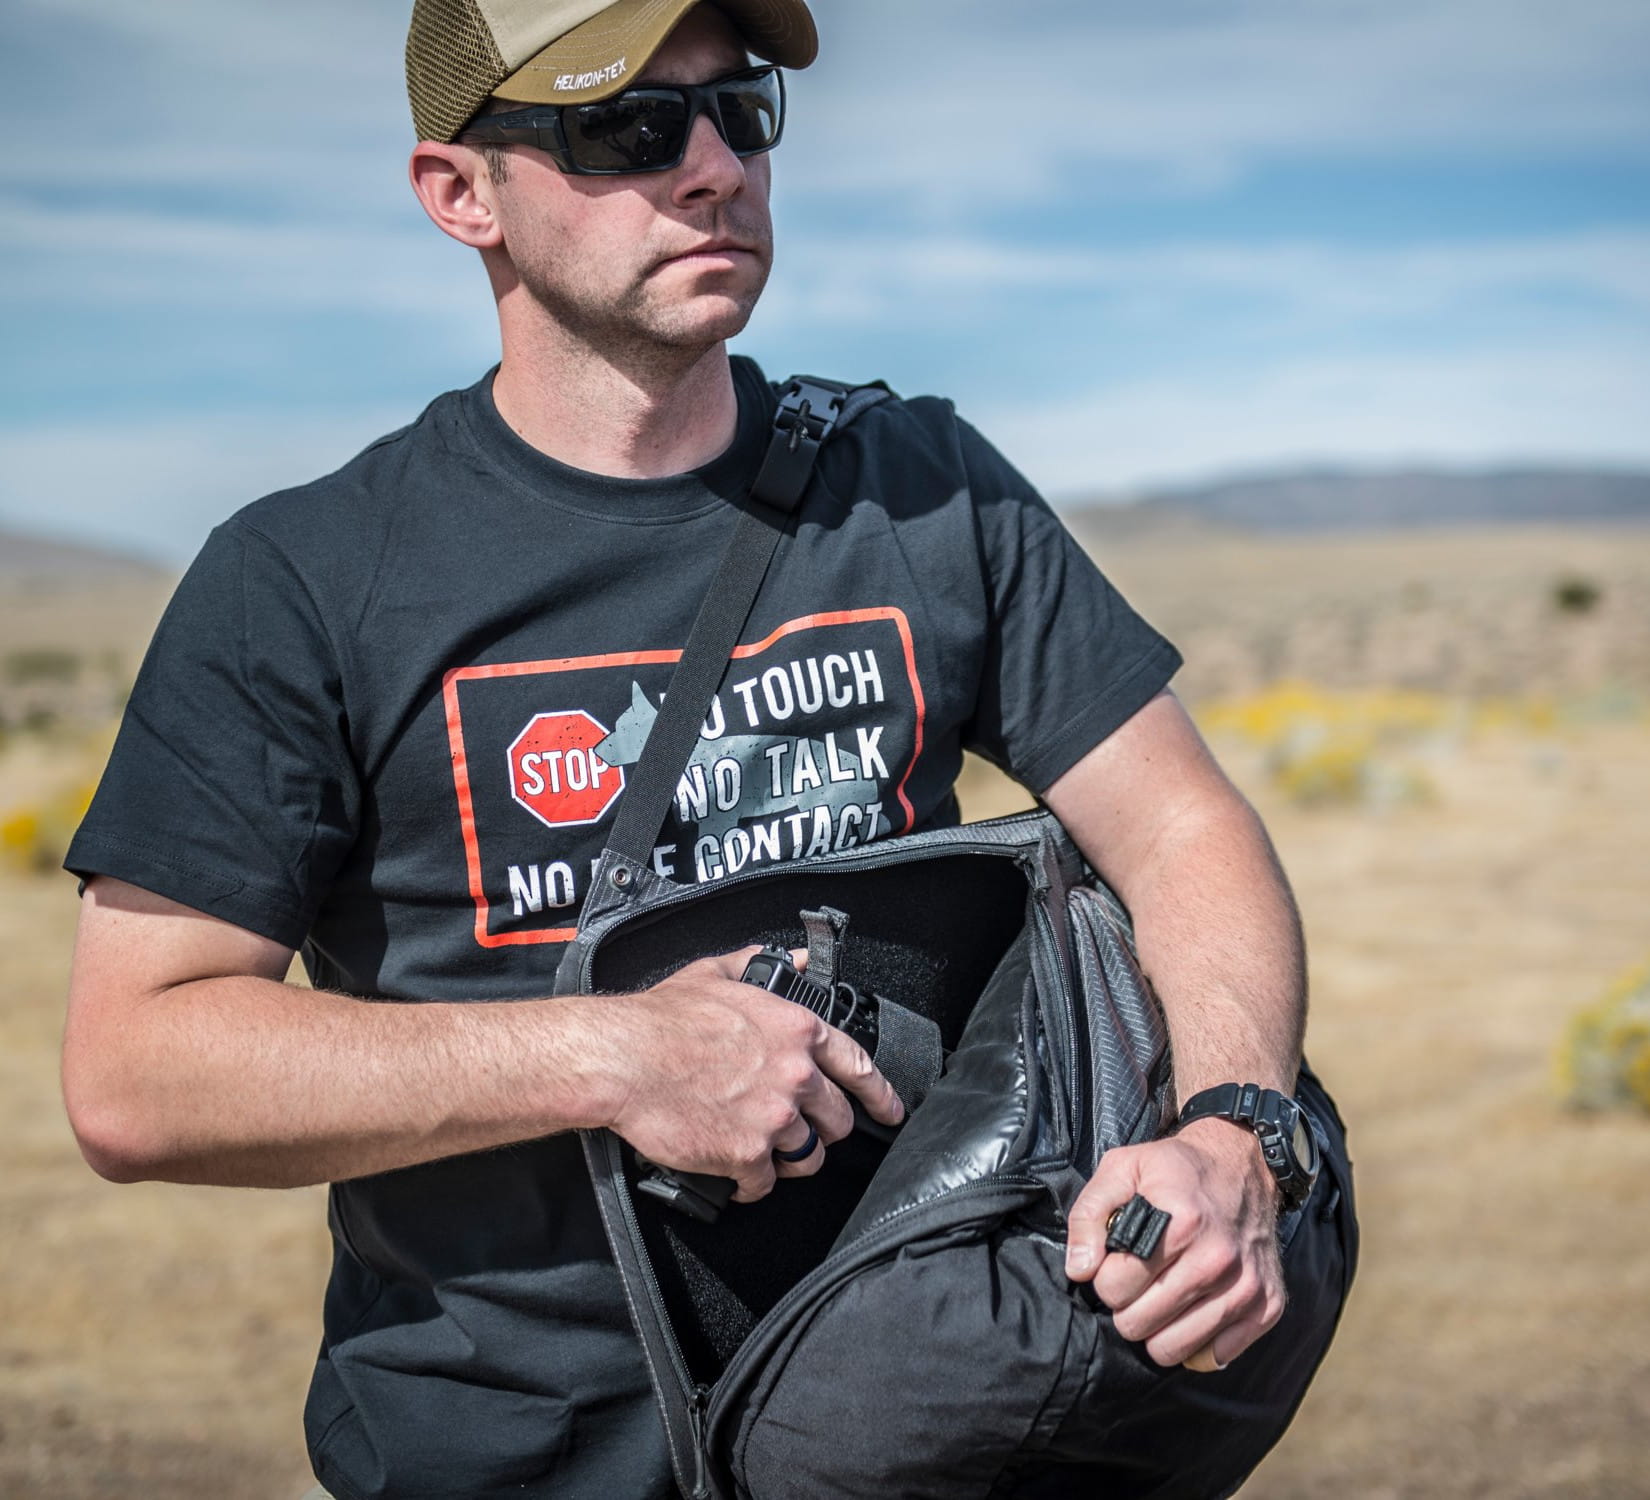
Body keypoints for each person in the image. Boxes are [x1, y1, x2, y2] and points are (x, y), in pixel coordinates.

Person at [62, 2, 1352, 1496]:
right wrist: (615, 1054)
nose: (714, 169)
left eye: (739, 111)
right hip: (510, 1451)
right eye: (627, 125)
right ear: (461, 193)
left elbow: (1181, 826)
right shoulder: (308, 577)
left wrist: (1234, 1130)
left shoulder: (920, 491)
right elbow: (138, 1071)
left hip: (920, 1418)